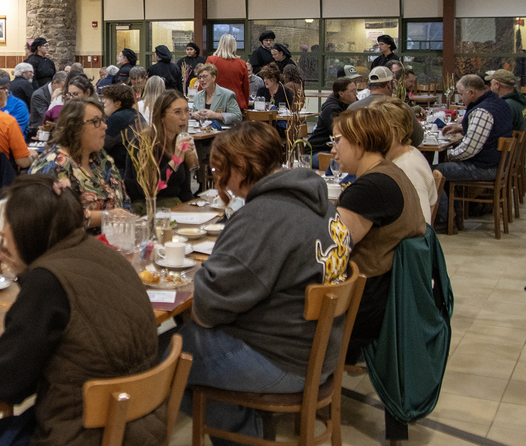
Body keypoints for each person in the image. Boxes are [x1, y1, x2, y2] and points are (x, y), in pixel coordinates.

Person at [175, 121, 353, 444]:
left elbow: (207, 308)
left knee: (153, 359)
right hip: (320, 349)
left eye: (219, 167)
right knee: (204, 379)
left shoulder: (264, 216)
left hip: (281, 358)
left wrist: (198, 274)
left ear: (241, 167)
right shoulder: (322, 203)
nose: (217, 176)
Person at [0, 174, 159, 444]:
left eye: (6, 222)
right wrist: (24, 272)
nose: (1, 232)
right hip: (143, 422)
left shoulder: (48, 282)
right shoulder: (105, 254)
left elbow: (5, 385)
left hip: (86, 432)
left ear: (25, 229)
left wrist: (27, 274)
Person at [331, 107, 425, 366]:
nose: (333, 150)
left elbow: (332, 249)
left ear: (359, 140)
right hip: (386, 295)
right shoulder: (389, 173)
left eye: (337, 140)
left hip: (364, 309)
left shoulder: (371, 188)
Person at [29, 98, 132, 230]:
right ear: (74, 127)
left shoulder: (102, 159)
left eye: (103, 120)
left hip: (114, 242)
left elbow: (125, 202)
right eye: (96, 121)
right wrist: (106, 216)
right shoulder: (53, 165)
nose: (105, 126)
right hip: (73, 247)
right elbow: (55, 218)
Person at [434, 74, 515, 227]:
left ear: (472, 92)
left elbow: (469, 150)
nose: (461, 98)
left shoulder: (482, 111)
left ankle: (444, 219)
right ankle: (456, 216)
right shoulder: (499, 103)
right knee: (445, 170)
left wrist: (449, 156)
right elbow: (490, 132)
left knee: (434, 172)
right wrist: (462, 128)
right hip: (497, 164)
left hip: (486, 167)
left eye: (461, 93)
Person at [124, 90, 198, 212]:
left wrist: (192, 210)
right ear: (162, 117)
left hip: (174, 207)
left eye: (187, 111)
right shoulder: (144, 143)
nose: (184, 117)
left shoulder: (178, 141)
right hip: (147, 209)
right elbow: (147, 190)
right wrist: (174, 162)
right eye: (177, 112)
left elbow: (185, 190)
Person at [369, 98, 437, 223]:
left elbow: (420, 226)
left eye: (379, 130)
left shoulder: (408, 169)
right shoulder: (399, 156)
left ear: (399, 132)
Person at [348, 67, 425, 147]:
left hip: (361, 157)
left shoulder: (352, 109)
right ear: (389, 84)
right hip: (393, 158)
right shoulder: (402, 108)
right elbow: (417, 139)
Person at [308, 77, 358, 165]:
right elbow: (340, 133)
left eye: (356, 90)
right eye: (352, 91)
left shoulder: (345, 106)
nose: (356, 94)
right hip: (317, 152)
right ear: (341, 93)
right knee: (350, 163)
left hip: (331, 150)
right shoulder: (332, 110)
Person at [101, 83, 143, 172]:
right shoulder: (136, 113)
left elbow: (102, 145)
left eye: (107, 99)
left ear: (117, 103)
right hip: (138, 168)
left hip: (122, 170)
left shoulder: (116, 119)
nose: (103, 101)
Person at [207, 33, 250, 110]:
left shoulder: (211, 60)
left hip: (215, 103)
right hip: (236, 103)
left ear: (220, 45)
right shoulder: (242, 64)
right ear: (234, 46)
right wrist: (245, 104)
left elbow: (205, 83)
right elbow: (246, 88)